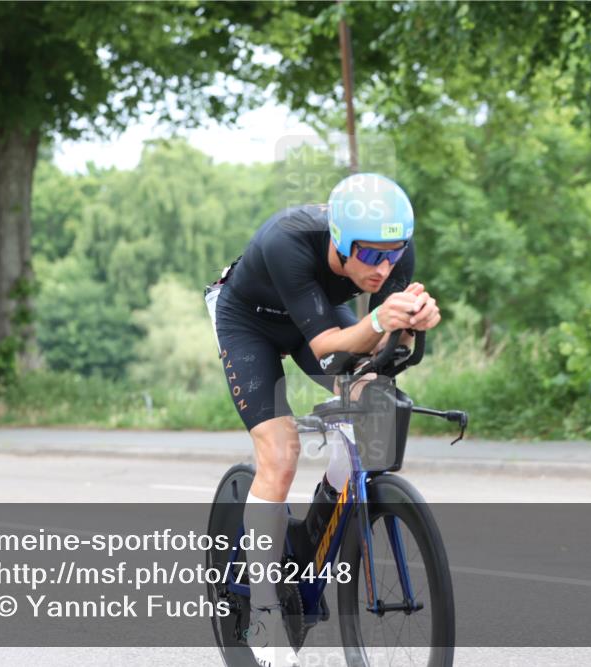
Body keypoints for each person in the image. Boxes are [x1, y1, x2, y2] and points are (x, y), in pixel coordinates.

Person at [204, 173, 441, 667]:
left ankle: (317, 530)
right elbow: (327, 350)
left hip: (313, 316)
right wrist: (380, 321)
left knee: (370, 397)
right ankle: (265, 615)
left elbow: (379, 354)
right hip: (249, 321)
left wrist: (412, 330)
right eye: (371, 255)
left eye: (393, 254)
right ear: (339, 242)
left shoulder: (396, 252)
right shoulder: (289, 241)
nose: (384, 267)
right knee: (281, 449)